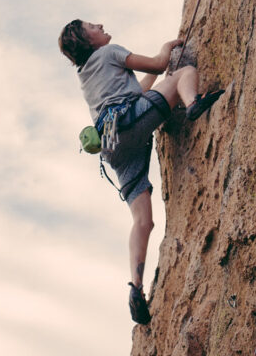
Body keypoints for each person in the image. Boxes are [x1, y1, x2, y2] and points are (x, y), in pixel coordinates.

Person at [59, 20, 223, 325]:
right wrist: (167, 49)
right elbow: (162, 66)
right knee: (184, 74)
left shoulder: (87, 74)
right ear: (88, 40)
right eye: (92, 26)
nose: (100, 24)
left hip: (112, 144)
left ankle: (136, 287)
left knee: (142, 221)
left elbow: (139, 94)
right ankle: (193, 104)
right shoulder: (109, 53)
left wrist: (159, 76)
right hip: (129, 125)